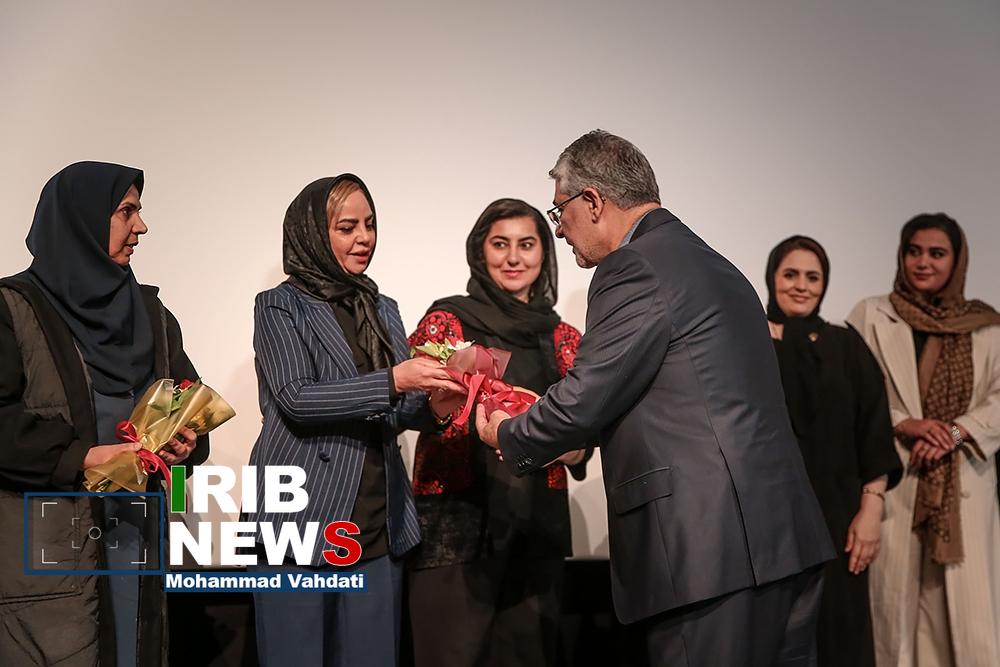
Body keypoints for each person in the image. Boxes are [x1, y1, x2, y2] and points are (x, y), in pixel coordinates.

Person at [476, 130, 835, 666]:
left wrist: (507, 432)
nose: (561, 229)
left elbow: (585, 397)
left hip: (709, 554)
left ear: (592, 201)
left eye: (559, 212)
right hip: (786, 541)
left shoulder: (632, 266)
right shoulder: (719, 266)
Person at [247, 173, 461, 667]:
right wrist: (395, 380)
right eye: (347, 227)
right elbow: (297, 398)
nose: (364, 238)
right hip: (297, 519)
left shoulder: (382, 307)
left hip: (374, 524)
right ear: (312, 233)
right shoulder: (279, 305)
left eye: (369, 225)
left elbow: (397, 408)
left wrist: (436, 405)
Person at [0, 161, 207, 666]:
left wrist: (187, 442)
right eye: (126, 211)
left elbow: (187, 403)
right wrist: (83, 457)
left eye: (138, 211)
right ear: (82, 218)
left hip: (136, 540)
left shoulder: (153, 316)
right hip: (51, 557)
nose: (141, 226)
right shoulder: (13, 309)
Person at [406, 198, 589, 667]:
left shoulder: (564, 337)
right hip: (454, 527)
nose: (513, 258)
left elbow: (584, 436)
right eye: (500, 244)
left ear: (544, 253)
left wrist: (561, 442)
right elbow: (410, 403)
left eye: (526, 245)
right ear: (479, 251)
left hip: (537, 529)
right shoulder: (447, 322)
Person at [847, 214, 1000, 667]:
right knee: (894, 614)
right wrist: (905, 422)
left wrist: (957, 430)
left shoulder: (985, 325)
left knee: (963, 621)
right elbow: (851, 392)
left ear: (957, 259)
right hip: (895, 476)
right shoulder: (871, 315)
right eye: (914, 251)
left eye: (937, 253)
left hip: (964, 483)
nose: (923, 262)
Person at [765, 235, 902, 667]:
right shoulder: (747, 342)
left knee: (840, 641)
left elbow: (873, 429)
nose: (801, 286)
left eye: (813, 277)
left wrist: (871, 510)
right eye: (790, 274)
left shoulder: (846, 346)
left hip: (839, 523)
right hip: (765, 524)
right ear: (772, 277)